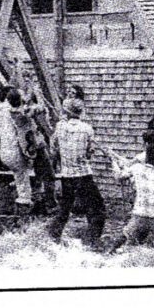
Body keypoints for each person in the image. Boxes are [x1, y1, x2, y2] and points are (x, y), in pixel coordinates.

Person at [47, 99, 107, 250]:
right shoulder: (87, 129)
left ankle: (52, 238)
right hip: (83, 175)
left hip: (67, 176)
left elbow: (53, 148)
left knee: (64, 209)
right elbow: (89, 154)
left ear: (66, 112)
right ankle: (92, 240)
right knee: (96, 209)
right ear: (80, 112)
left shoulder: (60, 127)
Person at [106, 145, 154, 253]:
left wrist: (113, 161)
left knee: (125, 235)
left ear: (146, 157)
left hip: (140, 214)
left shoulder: (137, 168)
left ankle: (110, 253)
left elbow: (119, 175)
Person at [0, 89, 35, 219]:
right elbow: (24, 132)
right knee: (23, 184)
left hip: (4, 152)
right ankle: (22, 216)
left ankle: (17, 206)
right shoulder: (16, 114)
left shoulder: (0, 112)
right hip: (15, 152)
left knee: (18, 178)